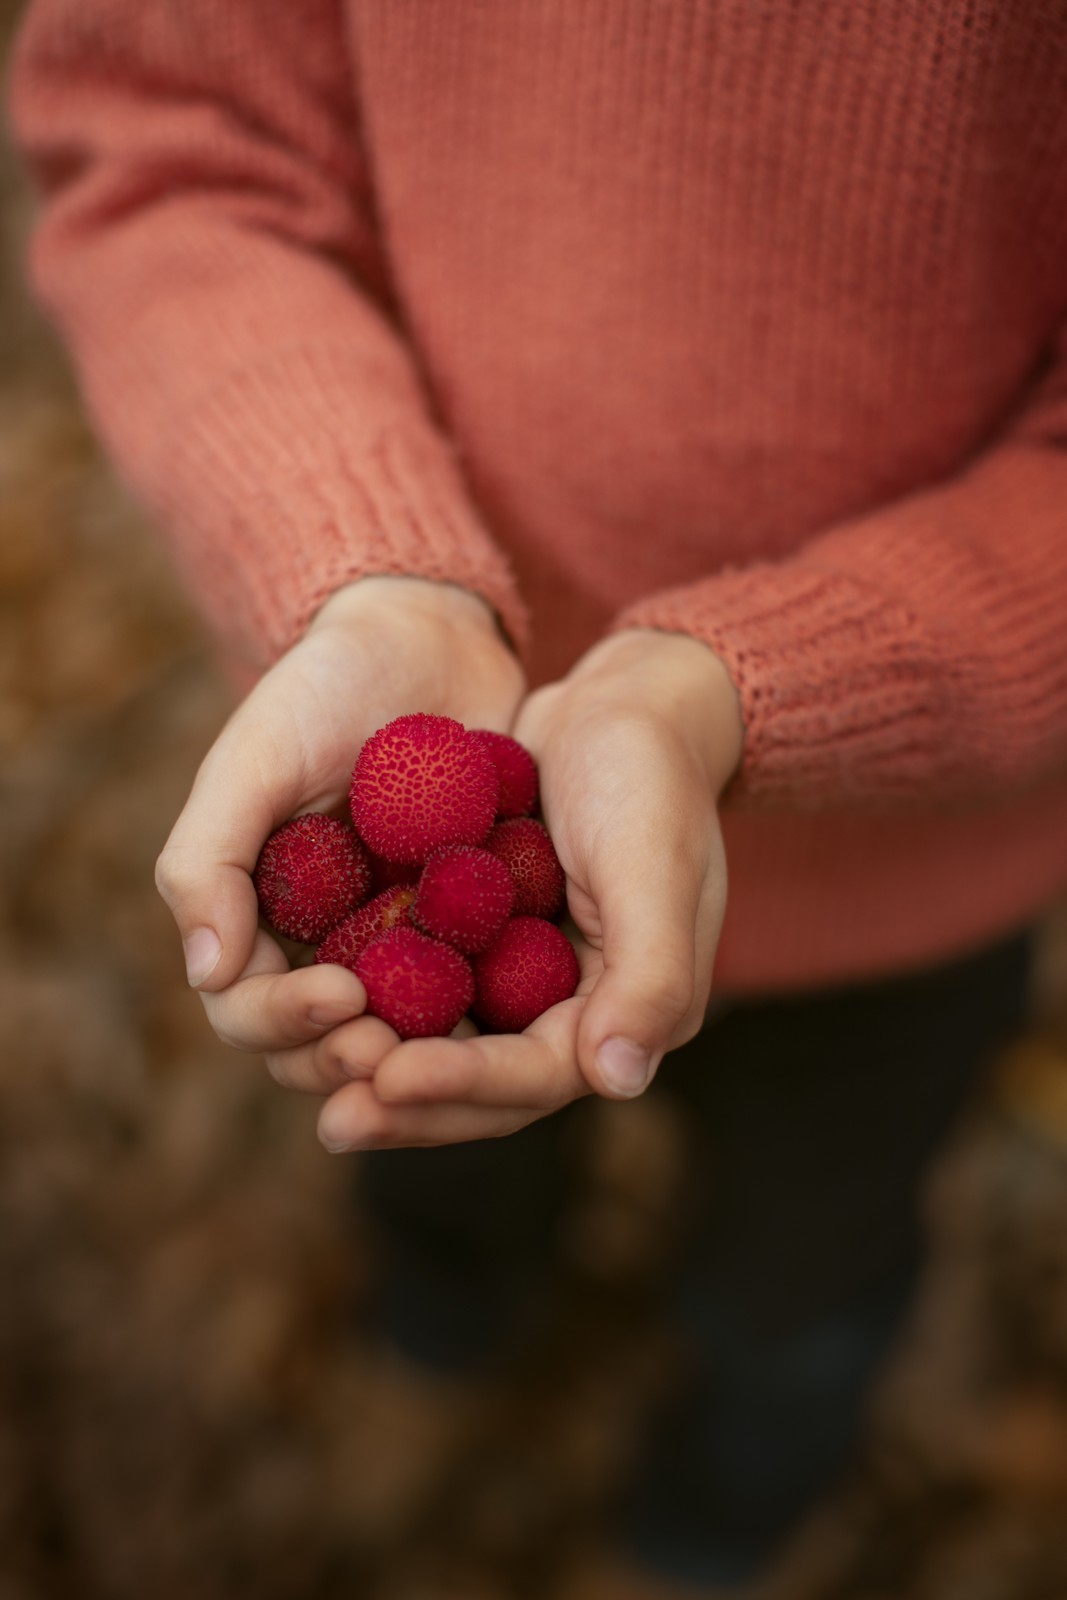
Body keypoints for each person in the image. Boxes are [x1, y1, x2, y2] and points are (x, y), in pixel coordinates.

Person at [9, 2, 1067, 1589]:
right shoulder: (440, 892)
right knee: (435, 1145)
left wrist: (721, 687)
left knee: (803, 1278)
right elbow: (173, 149)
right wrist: (365, 573)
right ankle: (443, 1338)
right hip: (470, 759)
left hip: (916, 881)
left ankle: (716, 1527)